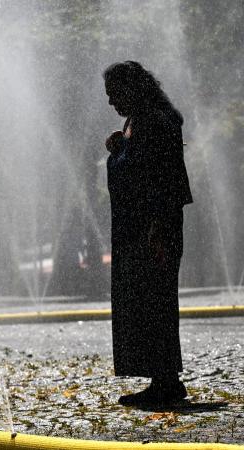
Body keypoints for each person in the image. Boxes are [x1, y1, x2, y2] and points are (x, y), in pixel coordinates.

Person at [103, 61, 193, 406]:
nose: (111, 102)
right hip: (134, 229)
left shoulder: (158, 121)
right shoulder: (138, 120)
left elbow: (164, 178)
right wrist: (118, 147)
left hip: (154, 228)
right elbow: (137, 165)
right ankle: (160, 377)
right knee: (143, 301)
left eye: (114, 94)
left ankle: (167, 381)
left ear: (132, 88)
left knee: (157, 301)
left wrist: (157, 229)